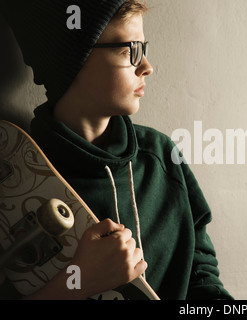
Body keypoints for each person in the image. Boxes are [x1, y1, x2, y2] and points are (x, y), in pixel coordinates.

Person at [0, 0, 233, 300]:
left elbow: (200, 272)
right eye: (130, 50)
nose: (146, 67)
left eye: (143, 49)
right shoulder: (14, 179)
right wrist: (79, 280)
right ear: (74, 60)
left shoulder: (161, 156)